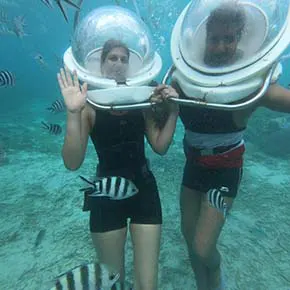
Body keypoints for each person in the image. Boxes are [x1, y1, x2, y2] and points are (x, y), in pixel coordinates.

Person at [171, 3, 290, 290]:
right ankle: (204, 286)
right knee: (189, 239)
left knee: (203, 248)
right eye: (215, 39)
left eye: (230, 38)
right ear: (205, 38)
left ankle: (217, 277)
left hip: (225, 169)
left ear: (239, 38)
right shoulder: (184, 74)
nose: (222, 46)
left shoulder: (251, 84)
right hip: (193, 166)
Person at [57, 39, 179, 290]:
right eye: (112, 58)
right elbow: (72, 162)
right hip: (106, 193)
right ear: (101, 65)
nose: (119, 64)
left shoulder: (142, 99)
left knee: (148, 286)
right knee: (113, 282)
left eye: (124, 59)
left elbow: (160, 146)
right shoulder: (89, 105)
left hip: (144, 189)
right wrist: (73, 113)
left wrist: (174, 111)